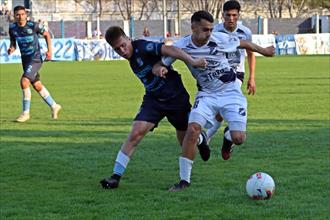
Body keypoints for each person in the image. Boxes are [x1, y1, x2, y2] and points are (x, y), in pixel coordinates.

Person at [155, 11, 275, 191]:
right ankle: (184, 181)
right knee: (192, 129)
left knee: (239, 138)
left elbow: (243, 43)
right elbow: (161, 62)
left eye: (211, 29)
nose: (209, 33)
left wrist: (264, 51)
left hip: (231, 92)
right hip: (206, 95)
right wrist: (159, 69)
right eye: (205, 29)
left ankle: (228, 139)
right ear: (193, 27)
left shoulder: (219, 38)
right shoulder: (181, 46)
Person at [99, 26, 210, 189]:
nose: (122, 51)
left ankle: (199, 142)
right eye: (117, 49)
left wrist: (192, 61)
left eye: (123, 45)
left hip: (175, 97)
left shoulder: (143, 47)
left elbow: (171, 49)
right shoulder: (130, 57)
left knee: (184, 141)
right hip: (153, 100)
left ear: (128, 38)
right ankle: (115, 177)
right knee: (135, 133)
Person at [207, 0, 256, 145]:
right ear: (223, 15)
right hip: (218, 73)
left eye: (234, 15)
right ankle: (228, 135)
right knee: (220, 109)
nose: (231, 19)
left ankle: (210, 137)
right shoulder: (215, 31)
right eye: (228, 15)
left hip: (237, 74)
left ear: (239, 15)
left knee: (223, 105)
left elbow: (251, 54)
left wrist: (252, 77)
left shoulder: (245, 32)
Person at [7, 5, 61, 122]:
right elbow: (13, 42)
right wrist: (11, 48)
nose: (20, 17)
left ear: (26, 15)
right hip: (25, 60)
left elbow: (46, 34)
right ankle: (54, 106)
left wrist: (49, 51)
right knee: (36, 85)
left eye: (22, 14)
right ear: (14, 16)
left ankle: (25, 113)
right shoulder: (12, 28)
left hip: (35, 58)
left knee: (24, 81)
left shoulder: (33, 25)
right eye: (18, 14)